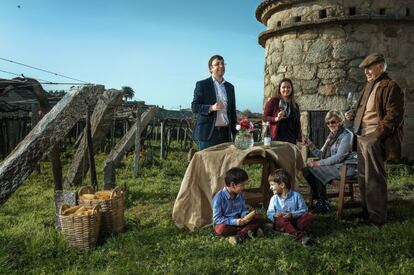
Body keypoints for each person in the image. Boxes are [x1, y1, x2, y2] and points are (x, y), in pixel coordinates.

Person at [345, 53, 404, 226]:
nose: (366, 72)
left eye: (369, 68)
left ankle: (377, 218)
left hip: (375, 137)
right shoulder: (368, 86)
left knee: (374, 178)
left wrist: (376, 136)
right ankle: (366, 213)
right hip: (362, 135)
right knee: (363, 177)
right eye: (365, 69)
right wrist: (353, 115)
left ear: (381, 66)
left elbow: (395, 116)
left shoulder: (391, 86)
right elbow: (364, 112)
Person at [302, 110, 355, 214]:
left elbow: (338, 157)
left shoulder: (346, 135)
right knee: (306, 170)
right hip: (333, 166)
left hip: (345, 167)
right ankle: (322, 201)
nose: (331, 124)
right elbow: (322, 155)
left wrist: (318, 163)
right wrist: (311, 145)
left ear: (340, 121)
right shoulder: (331, 136)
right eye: (328, 122)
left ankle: (323, 203)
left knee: (315, 169)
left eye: (333, 122)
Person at [191, 55, 237, 150]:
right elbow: (194, 107)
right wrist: (211, 108)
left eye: (223, 63)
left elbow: (232, 113)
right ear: (211, 68)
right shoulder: (202, 85)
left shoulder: (230, 87)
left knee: (224, 164)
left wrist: (236, 134)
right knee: (207, 164)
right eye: (217, 64)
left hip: (225, 135)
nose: (221, 66)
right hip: (207, 135)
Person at [212, 167, 264, 245]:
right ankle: (250, 231)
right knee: (221, 229)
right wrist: (235, 222)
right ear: (233, 185)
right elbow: (217, 218)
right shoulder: (219, 197)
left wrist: (245, 215)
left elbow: (243, 209)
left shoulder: (240, 195)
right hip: (227, 224)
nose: (244, 187)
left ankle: (239, 236)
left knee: (258, 217)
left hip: (241, 222)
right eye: (242, 185)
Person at [266, 168, 314, 245]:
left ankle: (288, 232)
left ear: (282, 185)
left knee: (309, 216)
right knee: (280, 219)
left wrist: (292, 214)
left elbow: (304, 210)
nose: (270, 187)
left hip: (295, 221)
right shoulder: (274, 199)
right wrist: (274, 215)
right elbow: (269, 213)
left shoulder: (297, 196)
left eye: (272, 185)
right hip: (282, 222)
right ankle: (300, 235)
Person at [262, 78, 302, 144]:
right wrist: (275, 118)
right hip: (276, 139)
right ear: (280, 89)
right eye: (283, 87)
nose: (286, 89)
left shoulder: (295, 105)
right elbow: (264, 117)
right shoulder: (273, 101)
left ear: (291, 89)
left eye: (288, 87)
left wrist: (300, 138)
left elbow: (297, 124)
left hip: (291, 140)